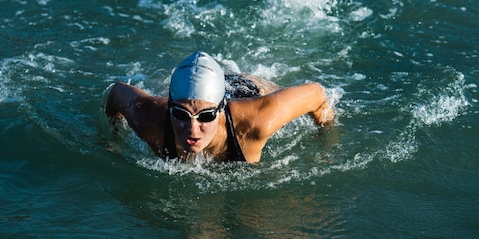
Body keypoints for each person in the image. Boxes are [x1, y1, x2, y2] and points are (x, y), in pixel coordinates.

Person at [105, 51, 334, 163]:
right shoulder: (148, 117)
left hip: (247, 89)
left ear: (220, 110)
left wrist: (326, 137)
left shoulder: (257, 122)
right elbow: (115, 93)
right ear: (170, 107)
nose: (192, 130)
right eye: (181, 115)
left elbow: (316, 94)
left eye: (205, 117)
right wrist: (114, 138)